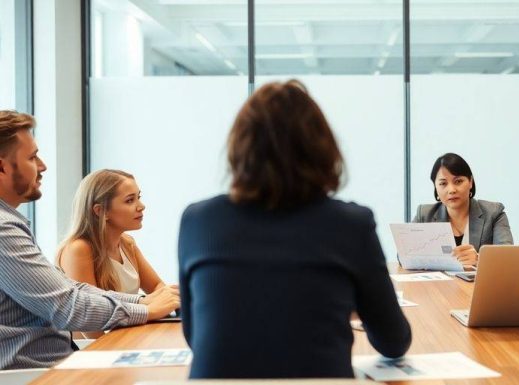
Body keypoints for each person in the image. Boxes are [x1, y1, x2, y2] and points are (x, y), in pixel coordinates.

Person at [178, 80, 411, 379]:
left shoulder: (198, 221)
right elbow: (394, 341)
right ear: (322, 149)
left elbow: (195, 338)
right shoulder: (352, 224)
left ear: (240, 148)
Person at [0, 110, 179, 369]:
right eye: (32, 157)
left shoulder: (12, 223)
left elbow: (71, 290)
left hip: (57, 361)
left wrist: (141, 302)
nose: (42, 166)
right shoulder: (5, 230)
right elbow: (66, 306)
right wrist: (146, 310)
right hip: (34, 372)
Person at [56, 169, 167, 338]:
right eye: (130, 200)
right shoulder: (78, 249)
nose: (141, 206)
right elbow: (90, 327)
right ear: (101, 211)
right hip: (87, 350)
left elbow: (158, 289)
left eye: (139, 197)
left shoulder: (127, 243)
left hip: (122, 339)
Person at [412, 153, 513, 268]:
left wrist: (479, 259)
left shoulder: (494, 213)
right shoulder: (424, 214)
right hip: (438, 285)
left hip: (477, 285)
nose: (451, 190)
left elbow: (507, 258)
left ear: (470, 182)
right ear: (435, 187)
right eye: (443, 183)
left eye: (458, 181)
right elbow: (403, 255)